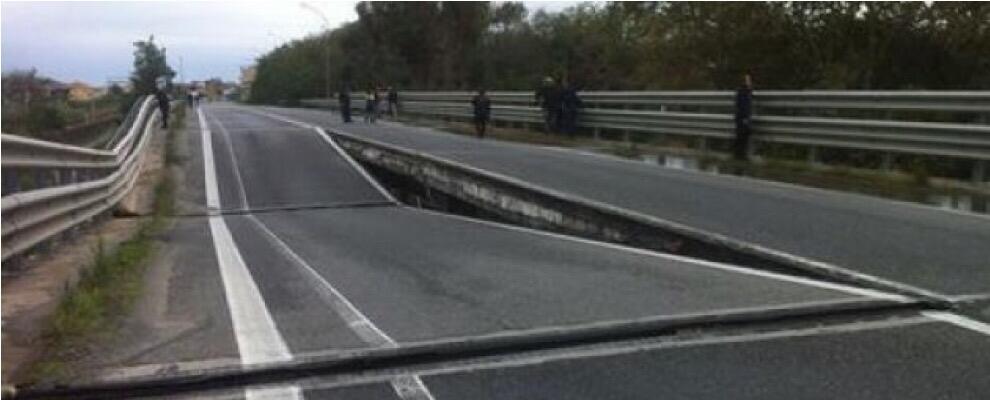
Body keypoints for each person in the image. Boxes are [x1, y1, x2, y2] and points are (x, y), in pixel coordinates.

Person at [733, 73, 754, 161]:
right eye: (748, 80)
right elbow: (743, 105)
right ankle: (739, 155)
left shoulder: (746, 91)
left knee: (742, 136)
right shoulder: (743, 91)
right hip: (742, 117)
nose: (750, 82)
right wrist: (744, 118)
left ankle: (740, 155)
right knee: (742, 136)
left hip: (742, 117)